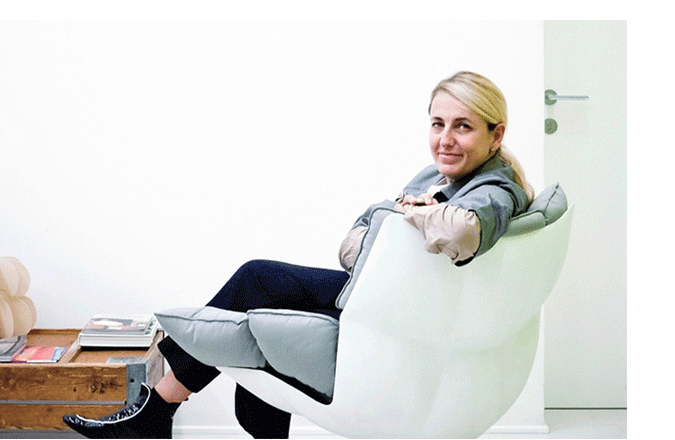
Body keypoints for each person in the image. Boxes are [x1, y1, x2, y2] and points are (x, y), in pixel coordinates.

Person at [63, 71, 533, 439]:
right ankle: (158, 409)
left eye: (463, 126)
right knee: (259, 304)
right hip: (380, 298)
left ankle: (156, 408)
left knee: (257, 284)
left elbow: (462, 231)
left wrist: (412, 212)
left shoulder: (495, 188)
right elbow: (353, 245)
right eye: (437, 124)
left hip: (395, 318)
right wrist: (402, 215)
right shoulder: (442, 175)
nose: (445, 139)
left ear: (495, 135)